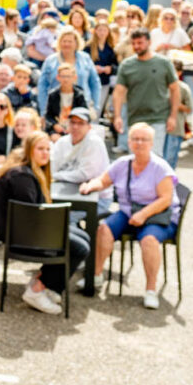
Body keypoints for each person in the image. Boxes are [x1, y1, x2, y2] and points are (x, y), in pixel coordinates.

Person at [80, 122, 180, 309]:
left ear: (151, 143)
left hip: (156, 215)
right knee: (103, 229)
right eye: (135, 139)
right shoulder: (123, 163)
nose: (139, 143)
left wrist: (143, 214)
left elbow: (166, 199)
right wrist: (90, 186)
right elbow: (103, 180)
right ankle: (96, 275)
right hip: (128, 212)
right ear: (129, 141)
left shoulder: (160, 167)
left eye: (144, 139)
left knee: (149, 240)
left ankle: (151, 290)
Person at [0, 131, 93, 308]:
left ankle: (43, 282)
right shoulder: (21, 177)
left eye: (48, 149)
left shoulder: (31, 171)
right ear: (29, 150)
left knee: (83, 236)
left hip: (28, 229)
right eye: (40, 149)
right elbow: (31, 215)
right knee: (80, 248)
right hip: (20, 236)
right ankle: (38, 289)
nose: (45, 153)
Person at [113, 27, 181, 159]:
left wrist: (173, 116)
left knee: (154, 158)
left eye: (140, 43)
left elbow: (175, 89)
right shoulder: (127, 65)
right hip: (135, 118)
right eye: (134, 43)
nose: (136, 46)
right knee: (136, 157)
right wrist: (117, 116)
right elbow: (118, 92)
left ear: (149, 42)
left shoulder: (164, 63)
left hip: (158, 117)